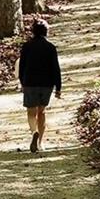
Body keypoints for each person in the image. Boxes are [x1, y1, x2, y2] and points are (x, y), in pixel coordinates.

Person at [17, 18, 61, 153]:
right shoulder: (50, 47)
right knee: (42, 112)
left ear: (33, 32)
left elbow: (22, 67)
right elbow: (55, 68)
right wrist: (58, 87)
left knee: (31, 113)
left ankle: (34, 132)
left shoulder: (26, 46)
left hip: (30, 83)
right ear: (46, 31)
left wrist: (22, 82)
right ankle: (41, 142)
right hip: (46, 84)